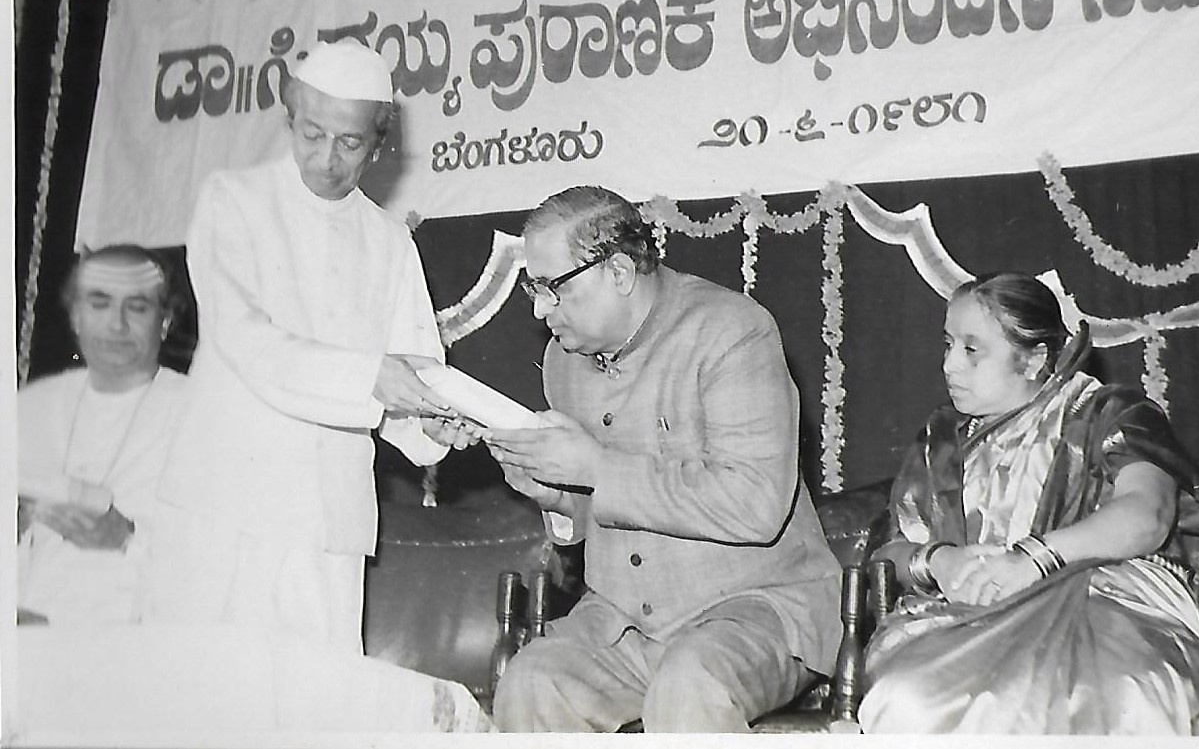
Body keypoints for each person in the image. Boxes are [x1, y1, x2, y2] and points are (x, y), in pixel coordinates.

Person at [144, 40, 476, 653]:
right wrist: (373, 380)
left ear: (378, 146)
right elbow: (247, 341)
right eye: (312, 133)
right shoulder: (231, 200)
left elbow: (413, 374)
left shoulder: (390, 241)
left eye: (349, 142)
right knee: (201, 690)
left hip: (326, 526)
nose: (326, 158)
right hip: (222, 509)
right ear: (289, 119)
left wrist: (430, 424)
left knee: (317, 699)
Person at [484, 186, 841, 733]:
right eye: (533, 288)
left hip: (756, 608)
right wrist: (551, 492)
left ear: (619, 272)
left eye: (555, 288)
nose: (539, 309)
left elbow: (756, 506)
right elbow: (592, 516)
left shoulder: (732, 330)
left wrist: (594, 468)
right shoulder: (562, 360)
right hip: (624, 622)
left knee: (690, 682)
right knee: (531, 682)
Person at [858, 272, 1199, 735]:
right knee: (907, 697)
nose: (950, 365)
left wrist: (1034, 560)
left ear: (1033, 360)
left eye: (971, 350)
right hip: (968, 616)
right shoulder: (941, 440)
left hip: (1108, 603)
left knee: (1112, 692)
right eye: (948, 344)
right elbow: (889, 553)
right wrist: (940, 562)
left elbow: (1147, 515)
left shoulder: (1109, 412)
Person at [17, 245, 187, 625]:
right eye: (99, 304)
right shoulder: (36, 406)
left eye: (137, 307)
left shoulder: (199, 412)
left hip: (131, 637)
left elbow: (228, 560)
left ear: (164, 321)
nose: (116, 325)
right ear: (76, 317)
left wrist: (127, 538)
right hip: (27, 628)